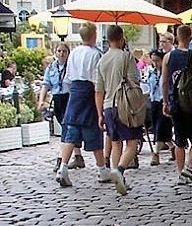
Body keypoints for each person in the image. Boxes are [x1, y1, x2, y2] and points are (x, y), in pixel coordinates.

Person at [55, 23, 112, 189]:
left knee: (71, 131)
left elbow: (68, 77)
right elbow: (98, 80)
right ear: (93, 35)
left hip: (75, 92)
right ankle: (102, 169)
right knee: (93, 129)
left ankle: (63, 168)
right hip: (89, 92)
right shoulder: (96, 54)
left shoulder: (74, 53)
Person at [96, 24, 142, 196]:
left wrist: (99, 112)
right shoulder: (126, 57)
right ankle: (120, 170)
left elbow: (98, 90)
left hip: (108, 106)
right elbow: (134, 80)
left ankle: (118, 176)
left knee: (116, 143)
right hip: (125, 105)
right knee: (132, 142)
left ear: (108, 40)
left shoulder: (102, 60)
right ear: (122, 38)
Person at [162, 24, 192, 186]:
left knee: (179, 139)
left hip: (175, 103)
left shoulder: (168, 57)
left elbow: (165, 81)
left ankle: (181, 173)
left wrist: (165, 101)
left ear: (177, 37)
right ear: (190, 37)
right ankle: (190, 166)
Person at [39, 43, 86, 172]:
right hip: (57, 99)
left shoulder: (71, 67)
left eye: (64, 51)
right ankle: (78, 156)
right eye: (59, 51)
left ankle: (61, 159)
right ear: (55, 52)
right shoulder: (51, 68)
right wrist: (41, 100)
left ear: (68, 53)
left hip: (69, 98)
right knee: (66, 127)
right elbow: (46, 84)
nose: (61, 53)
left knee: (67, 128)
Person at [147, 49, 172, 165]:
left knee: (160, 127)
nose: (155, 63)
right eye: (153, 61)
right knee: (160, 130)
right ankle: (173, 147)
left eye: (157, 61)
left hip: (164, 101)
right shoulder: (151, 73)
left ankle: (155, 154)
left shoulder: (167, 73)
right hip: (154, 102)